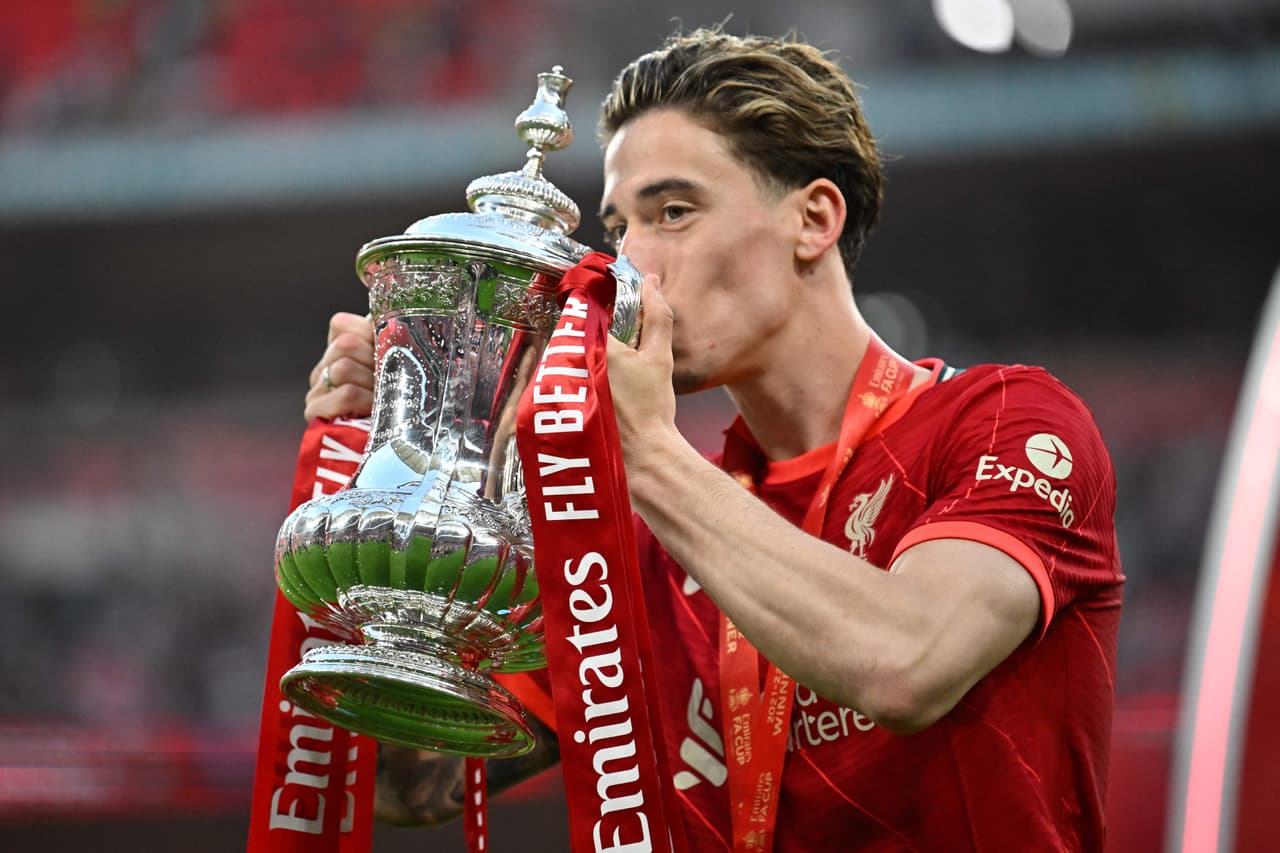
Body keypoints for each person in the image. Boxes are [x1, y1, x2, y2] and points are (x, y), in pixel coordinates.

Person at [305, 28, 1123, 851]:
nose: (629, 268)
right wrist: (419, 444)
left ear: (813, 219)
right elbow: (403, 780)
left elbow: (907, 662)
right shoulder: (642, 536)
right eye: (620, 227)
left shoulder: (1010, 423)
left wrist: (645, 453)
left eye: (674, 212)